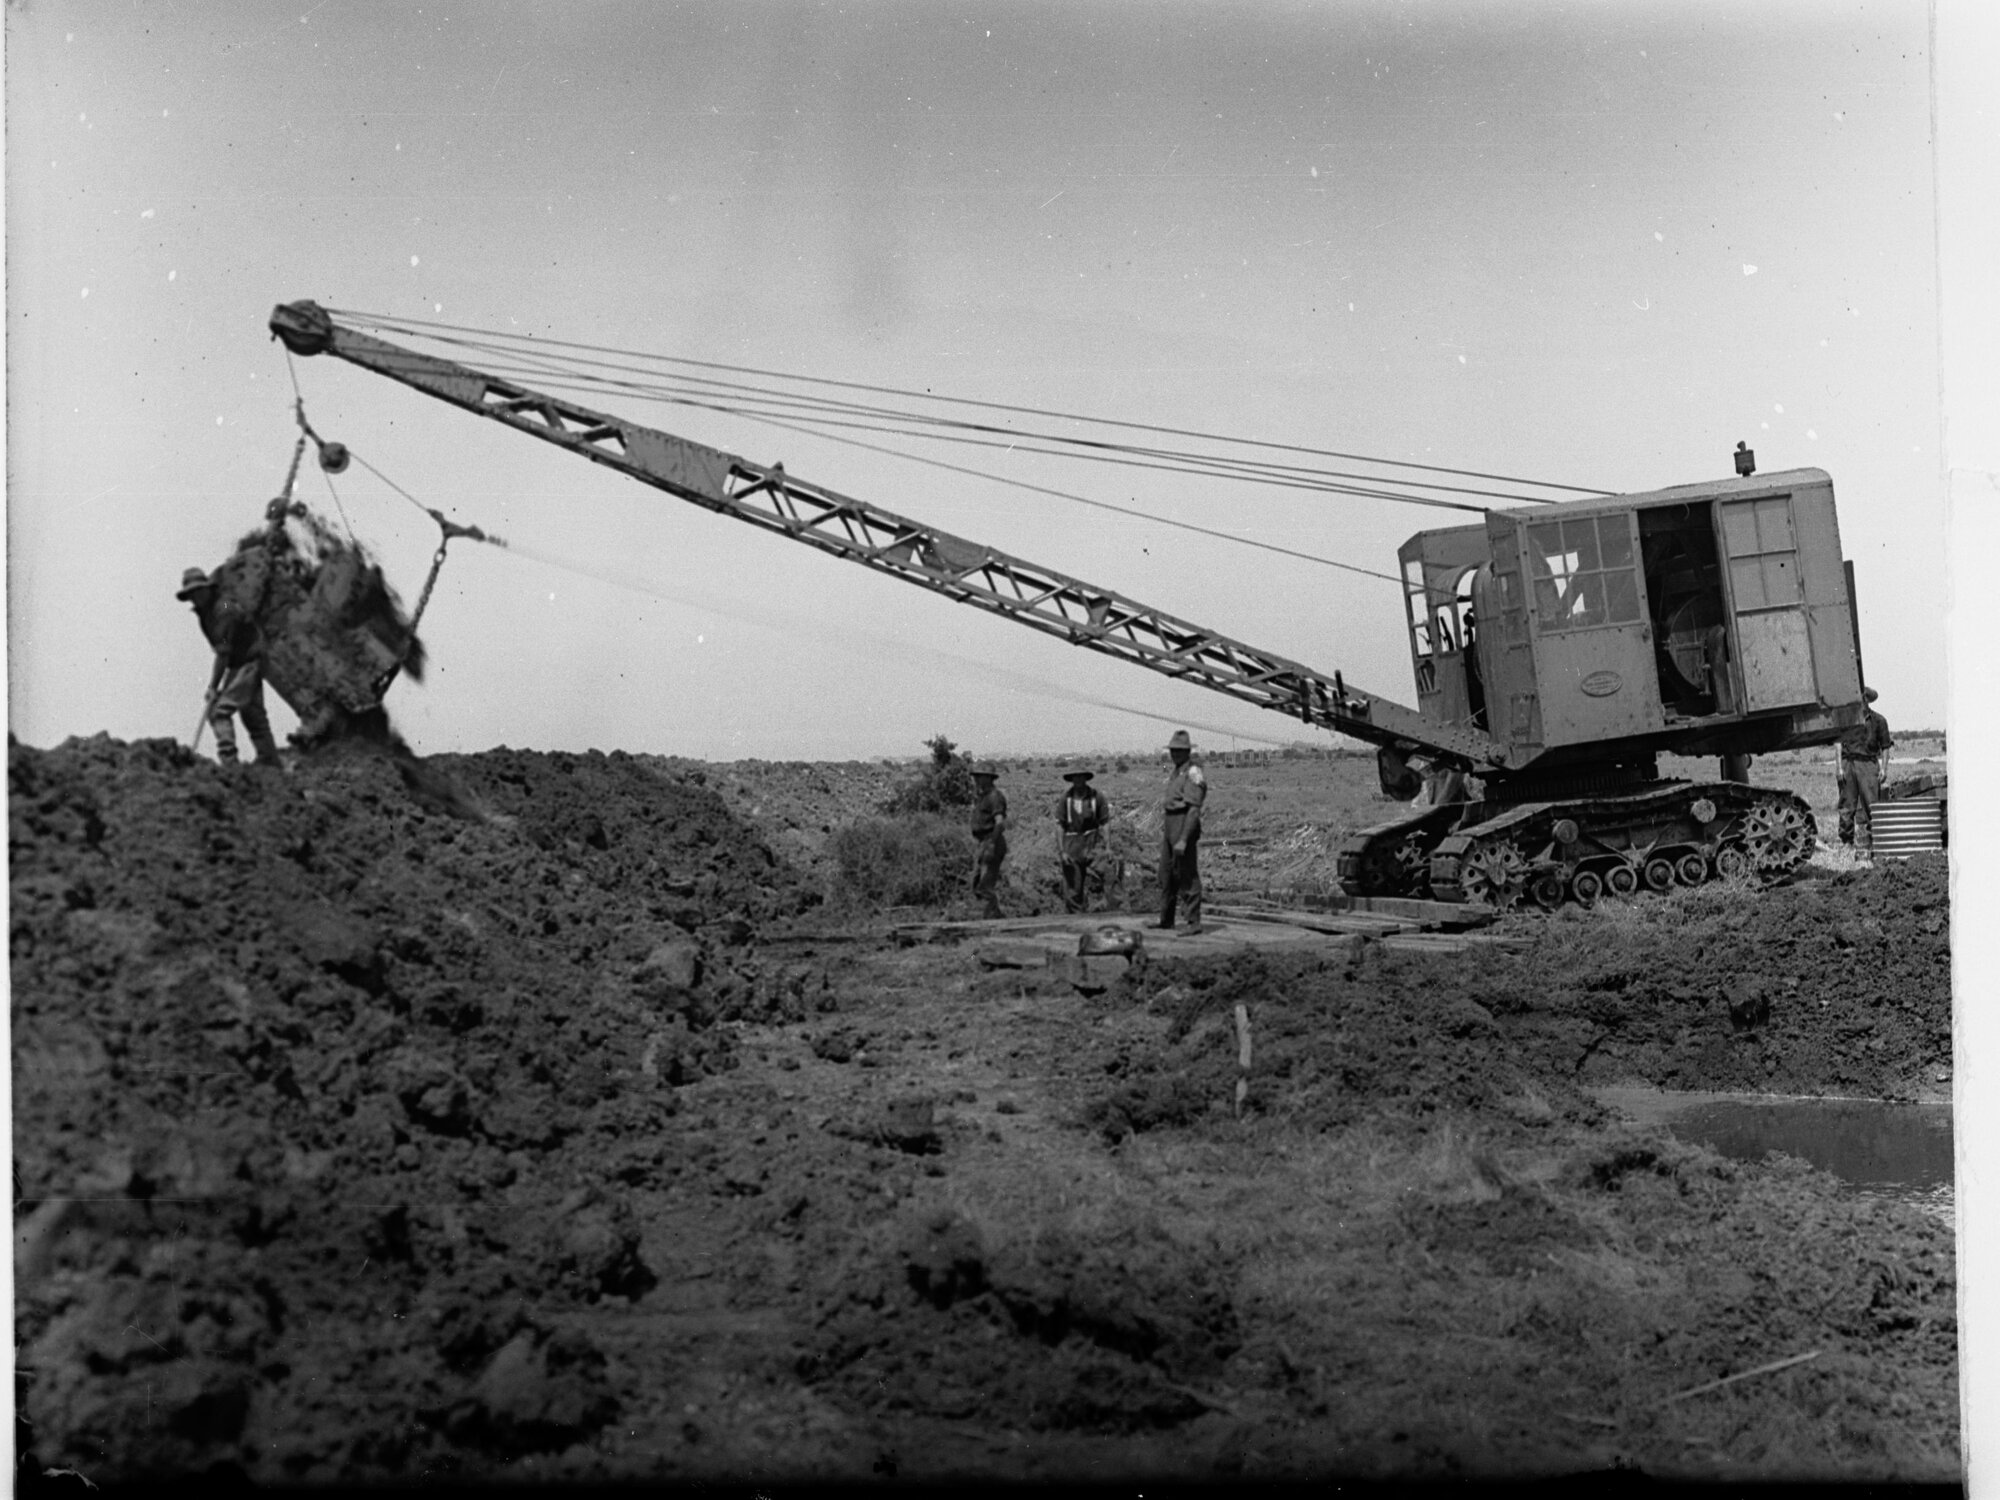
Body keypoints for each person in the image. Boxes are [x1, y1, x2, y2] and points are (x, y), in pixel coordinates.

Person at [178, 565, 282, 768]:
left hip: (249, 661)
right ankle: (271, 762)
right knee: (253, 715)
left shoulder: (224, 608)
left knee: (218, 711)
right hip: (240, 663)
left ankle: (230, 764)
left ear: (208, 588)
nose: (196, 597)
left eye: (199, 591)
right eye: (192, 594)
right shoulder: (207, 612)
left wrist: (213, 687)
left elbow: (223, 653)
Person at [1156, 729, 1207, 933]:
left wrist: (1183, 839)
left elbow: (1194, 810)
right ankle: (1166, 919)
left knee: (1187, 873)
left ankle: (1193, 922)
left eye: (1180, 751)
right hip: (1170, 825)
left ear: (1188, 752)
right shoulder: (1176, 771)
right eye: (1173, 750)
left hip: (1183, 823)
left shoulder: (1193, 773)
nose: (1175, 754)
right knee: (1166, 874)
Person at [1836, 687, 1894, 853]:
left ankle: (1874, 843)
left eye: (1864, 699)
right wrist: (1839, 767)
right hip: (1848, 763)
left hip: (1868, 764)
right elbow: (1838, 743)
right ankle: (1846, 843)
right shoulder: (1845, 720)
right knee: (1847, 805)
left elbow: (1885, 747)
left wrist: (1884, 768)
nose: (1861, 702)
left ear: (1868, 700)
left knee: (1872, 804)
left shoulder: (1879, 720)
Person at [1055, 770, 1112, 914]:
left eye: (1081, 776)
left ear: (1086, 778)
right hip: (1072, 844)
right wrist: (1062, 852)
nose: (1078, 779)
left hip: (1093, 843)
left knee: (1109, 874)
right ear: (1072, 779)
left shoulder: (1096, 797)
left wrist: (1108, 847)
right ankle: (1076, 920)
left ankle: (1117, 913)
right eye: (1075, 777)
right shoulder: (1066, 799)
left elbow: (1105, 822)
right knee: (1073, 888)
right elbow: (1060, 826)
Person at [969, 767, 1009, 918]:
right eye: (976, 777)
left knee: (984, 886)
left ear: (989, 778)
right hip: (983, 842)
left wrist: (992, 843)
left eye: (980, 777)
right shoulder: (982, 796)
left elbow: (999, 822)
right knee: (977, 883)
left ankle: (992, 918)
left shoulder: (994, 797)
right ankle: (992, 916)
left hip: (991, 841)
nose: (976, 780)